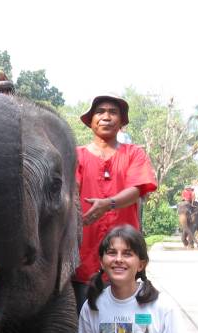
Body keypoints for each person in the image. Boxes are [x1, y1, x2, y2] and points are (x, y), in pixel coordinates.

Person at [72, 94, 158, 312]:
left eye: (113, 112)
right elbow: (69, 190)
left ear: (121, 121)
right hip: (84, 256)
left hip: (125, 256)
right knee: (85, 319)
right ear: (91, 121)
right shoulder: (76, 156)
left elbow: (137, 189)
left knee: (125, 322)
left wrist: (108, 203)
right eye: (100, 112)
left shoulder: (134, 153)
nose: (106, 117)